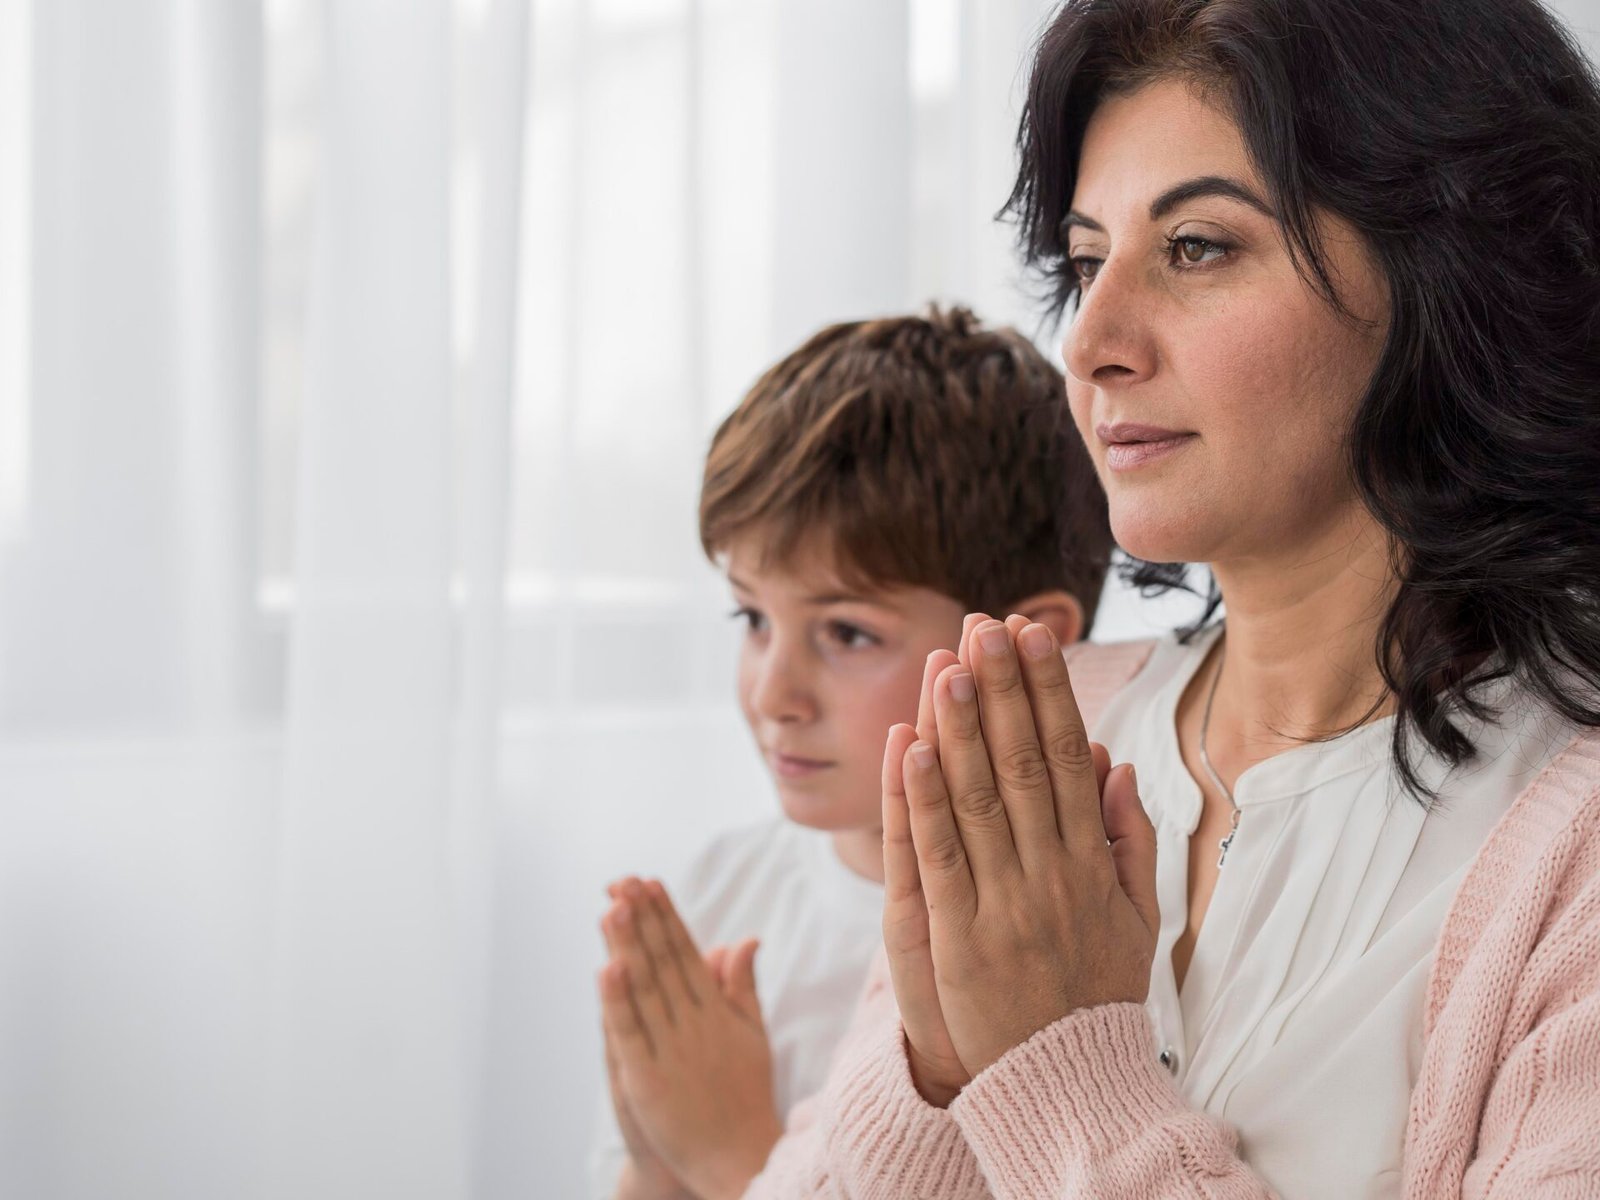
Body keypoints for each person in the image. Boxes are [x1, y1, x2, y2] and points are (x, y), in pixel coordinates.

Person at [719, 0, 1600, 1196]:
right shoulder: (1039, 736)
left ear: (1449, 277)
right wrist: (936, 1062)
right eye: (1088, 261)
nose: (1090, 342)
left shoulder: (1568, 853)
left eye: (1195, 247)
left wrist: (1052, 1061)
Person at [587, 307, 1115, 1200]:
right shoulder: (725, 891)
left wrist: (730, 1158)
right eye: (753, 618)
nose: (772, 694)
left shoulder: (1069, 950)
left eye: (846, 632)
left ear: (1029, 647)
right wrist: (653, 1155)